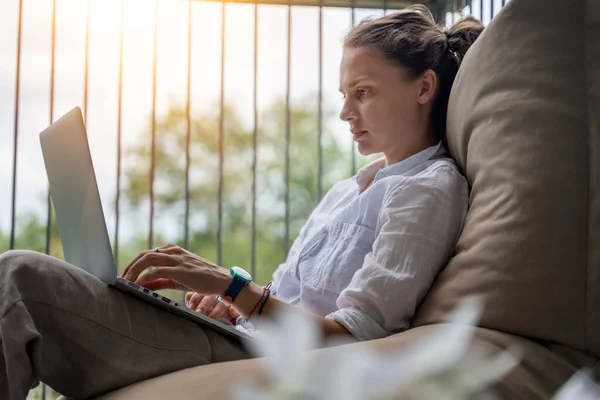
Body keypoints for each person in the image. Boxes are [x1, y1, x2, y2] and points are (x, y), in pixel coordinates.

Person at [0, 5, 483, 399]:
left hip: (274, 364)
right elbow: (283, 298)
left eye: (363, 93)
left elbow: (359, 338)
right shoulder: (348, 189)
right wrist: (230, 308)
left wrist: (231, 287)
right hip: (243, 341)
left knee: (20, 276)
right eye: (343, 94)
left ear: (423, 87)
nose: (344, 112)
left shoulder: (430, 188)